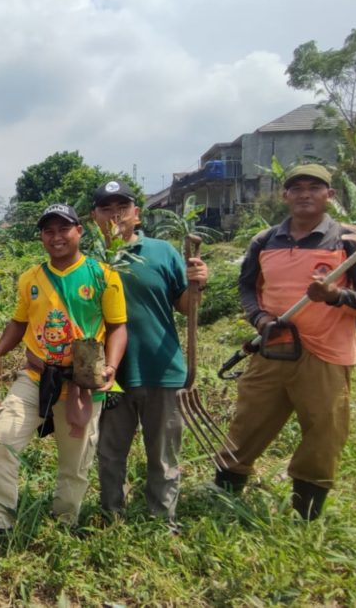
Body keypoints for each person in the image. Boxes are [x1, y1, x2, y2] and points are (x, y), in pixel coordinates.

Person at [214, 164, 356, 520]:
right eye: (297, 187)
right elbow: (247, 287)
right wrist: (259, 319)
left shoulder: (353, 241)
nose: (305, 193)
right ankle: (223, 493)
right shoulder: (265, 240)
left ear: (330, 195)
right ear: (285, 195)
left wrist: (336, 295)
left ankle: (306, 512)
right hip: (274, 347)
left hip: (326, 354)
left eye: (314, 187)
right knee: (247, 422)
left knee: (324, 433)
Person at [0, 203, 128, 551]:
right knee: (0, 442)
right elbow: (18, 323)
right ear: (42, 237)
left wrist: (111, 367)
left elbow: (118, 327)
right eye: (49, 230)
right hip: (35, 376)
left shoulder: (103, 275)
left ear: (79, 230)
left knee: (74, 465)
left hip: (82, 385)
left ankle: (63, 525)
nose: (56, 236)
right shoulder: (31, 278)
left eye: (64, 229)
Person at [91, 180, 208, 525]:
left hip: (161, 368)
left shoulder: (162, 252)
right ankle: (111, 517)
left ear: (136, 214)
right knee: (110, 454)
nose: (115, 216)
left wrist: (197, 283)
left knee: (162, 455)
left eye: (122, 208)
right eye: (106, 209)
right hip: (111, 374)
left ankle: (162, 521)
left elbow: (187, 308)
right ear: (94, 217)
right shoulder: (90, 260)